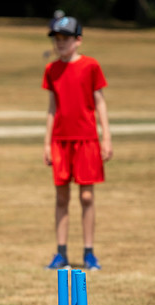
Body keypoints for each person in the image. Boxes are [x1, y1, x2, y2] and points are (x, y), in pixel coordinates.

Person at [43, 16, 112, 270]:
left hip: (87, 140)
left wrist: (106, 136)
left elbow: (100, 103)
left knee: (86, 196)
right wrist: (46, 143)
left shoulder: (91, 66)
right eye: (56, 39)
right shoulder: (51, 70)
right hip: (60, 141)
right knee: (62, 197)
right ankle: (60, 253)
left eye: (65, 38)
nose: (60, 43)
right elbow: (52, 109)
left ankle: (89, 253)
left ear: (78, 40)